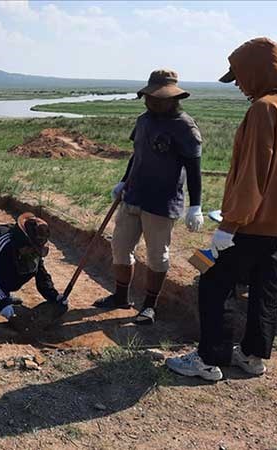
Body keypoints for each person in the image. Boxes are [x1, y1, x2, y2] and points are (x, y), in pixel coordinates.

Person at [167, 38, 277, 381]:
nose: (239, 84)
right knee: (264, 290)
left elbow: (253, 174)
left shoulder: (264, 109)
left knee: (214, 283)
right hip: (274, 225)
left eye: (240, 76)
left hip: (249, 224)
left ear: (258, 69)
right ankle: (253, 357)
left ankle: (209, 360)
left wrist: (230, 224)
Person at [93, 69, 203, 325]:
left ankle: (150, 306)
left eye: (157, 98)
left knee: (157, 256)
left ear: (172, 98)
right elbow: (137, 154)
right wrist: (123, 181)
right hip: (133, 196)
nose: (151, 102)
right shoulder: (143, 120)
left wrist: (196, 205)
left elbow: (194, 169)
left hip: (161, 204)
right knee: (120, 248)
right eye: (149, 97)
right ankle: (121, 297)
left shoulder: (185, 127)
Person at [0, 212, 65, 323]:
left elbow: (41, 273)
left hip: (0, 268)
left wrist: (55, 296)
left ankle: (3, 294)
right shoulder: (2, 242)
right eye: (31, 247)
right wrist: (4, 306)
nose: (33, 251)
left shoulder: (31, 251)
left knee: (29, 266)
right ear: (23, 240)